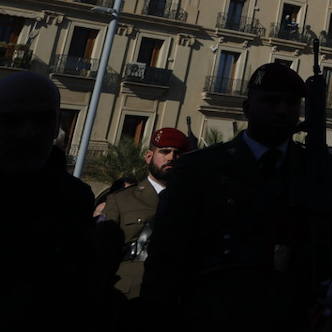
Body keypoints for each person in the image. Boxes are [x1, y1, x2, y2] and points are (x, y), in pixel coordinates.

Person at [143, 62, 332, 332]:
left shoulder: (318, 170)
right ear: (247, 107)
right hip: (213, 314)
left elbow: (325, 243)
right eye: (271, 101)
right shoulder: (200, 169)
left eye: (291, 102)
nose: (282, 110)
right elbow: (166, 258)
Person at [0, 72, 101, 317]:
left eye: (41, 119)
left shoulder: (76, 197)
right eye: (13, 120)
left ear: (57, 125)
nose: (28, 132)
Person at [100, 126, 194, 303]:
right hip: (128, 296)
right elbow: (101, 254)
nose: (171, 158)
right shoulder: (121, 200)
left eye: (178, 153)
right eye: (165, 151)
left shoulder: (193, 202)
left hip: (176, 297)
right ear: (149, 156)